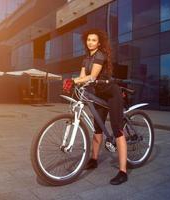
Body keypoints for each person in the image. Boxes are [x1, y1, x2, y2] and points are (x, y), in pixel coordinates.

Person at [72, 29, 128, 185]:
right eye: (88, 39)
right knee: (97, 128)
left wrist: (74, 81)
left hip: (112, 94)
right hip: (99, 95)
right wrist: (76, 83)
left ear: (99, 42)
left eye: (93, 40)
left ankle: (123, 171)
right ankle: (94, 159)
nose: (90, 42)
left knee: (117, 130)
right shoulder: (86, 59)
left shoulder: (100, 55)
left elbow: (92, 76)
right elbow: (83, 78)